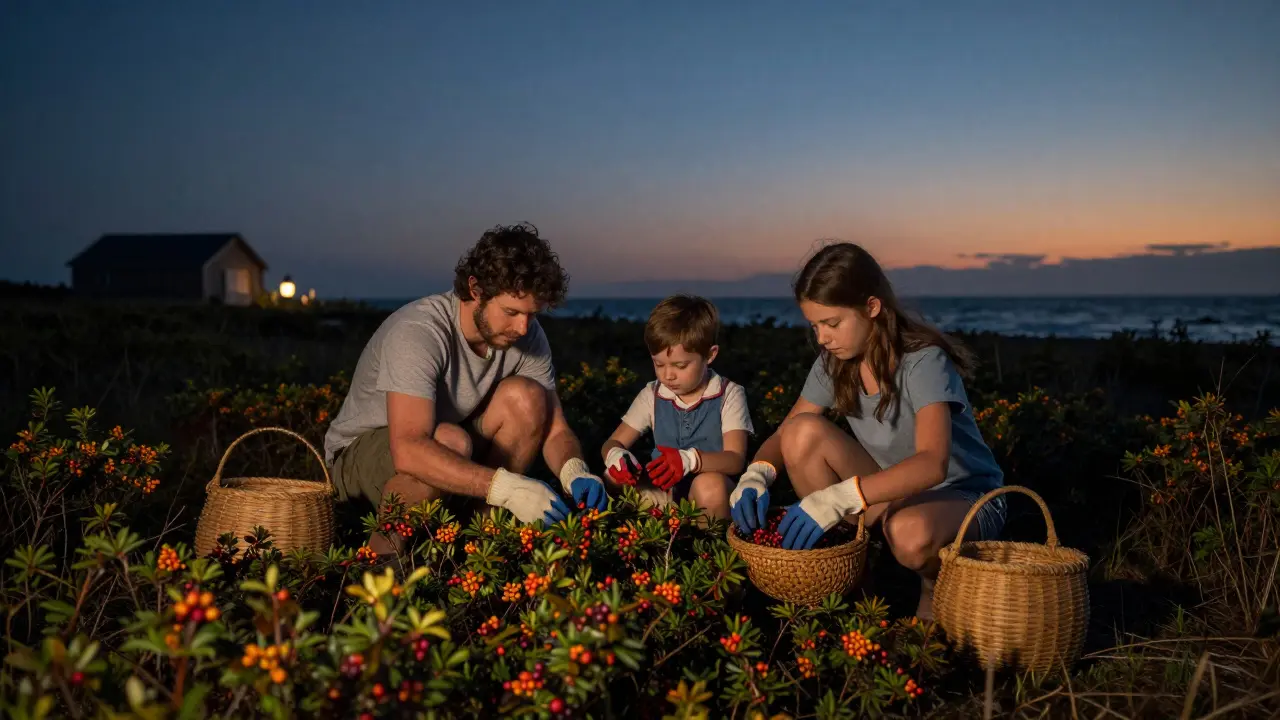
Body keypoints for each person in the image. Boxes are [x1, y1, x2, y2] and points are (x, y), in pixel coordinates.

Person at [728, 242, 1005, 619]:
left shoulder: (923, 360)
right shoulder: (833, 363)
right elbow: (787, 432)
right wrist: (757, 473)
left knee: (909, 533)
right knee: (801, 432)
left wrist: (836, 499)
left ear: (872, 308)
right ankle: (857, 595)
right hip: (891, 492)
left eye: (832, 323)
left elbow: (932, 465)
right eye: (815, 325)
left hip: (964, 498)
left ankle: (933, 588)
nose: (822, 338)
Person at [323, 222, 609, 557]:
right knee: (449, 441)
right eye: (511, 312)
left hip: (453, 450)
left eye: (531, 314)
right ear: (476, 290)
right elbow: (410, 449)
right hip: (359, 465)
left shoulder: (528, 334)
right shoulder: (419, 331)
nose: (522, 327)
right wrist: (509, 490)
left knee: (528, 398)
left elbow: (556, 430)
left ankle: (474, 541)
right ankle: (383, 560)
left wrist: (574, 470)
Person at [600, 295, 753, 521]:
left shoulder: (729, 394)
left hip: (710, 496)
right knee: (611, 476)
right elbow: (613, 442)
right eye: (658, 364)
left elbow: (735, 459)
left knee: (709, 485)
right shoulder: (652, 394)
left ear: (710, 355)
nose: (668, 375)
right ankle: (633, 541)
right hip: (663, 494)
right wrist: (617, 455)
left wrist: (690, 460)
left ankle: (706, 551)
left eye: (680, 365)